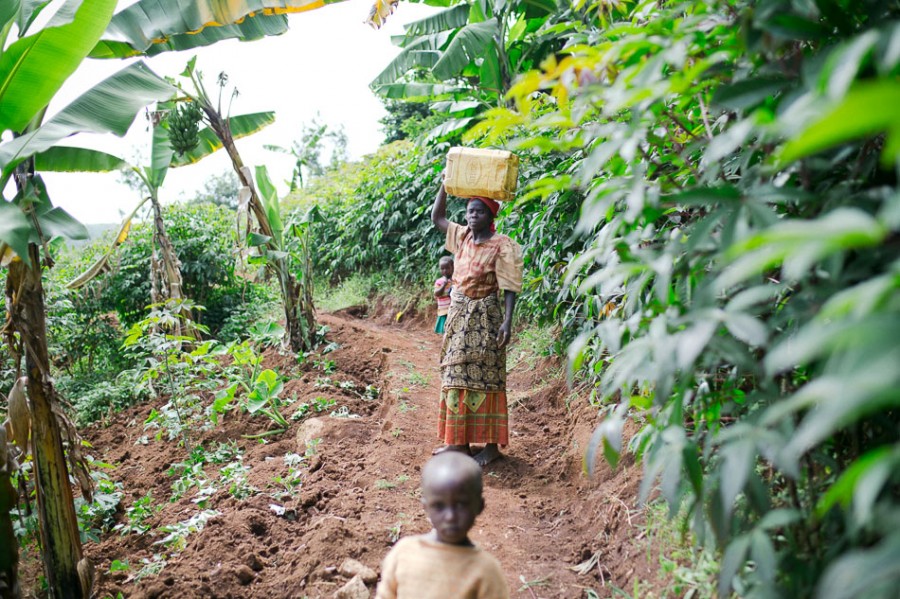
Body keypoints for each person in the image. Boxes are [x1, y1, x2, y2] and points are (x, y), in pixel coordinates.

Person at [430, 182, 523, 467]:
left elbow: (509, 286)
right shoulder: (462, 237)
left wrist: (507, 321)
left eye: (479, 212)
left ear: (490, 216)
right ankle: (458, 443)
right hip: (459, 317)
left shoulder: (503, 245)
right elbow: (437, 218)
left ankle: (492, 447)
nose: (472, 217)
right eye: (470, 212)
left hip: (486, 318)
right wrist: (444, 186)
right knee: (455, 374)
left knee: (488, 377)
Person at [374, 452, 509, 599]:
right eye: (439, 506)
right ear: (426, 507)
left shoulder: (486, 571)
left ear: (480, 506)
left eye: (461, 504)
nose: (450, 516)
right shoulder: (403, 553)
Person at [433, 256, 454, 334]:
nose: (445, 271)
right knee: (445, 332)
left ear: (453, 267)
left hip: (454, 310)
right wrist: (443, 285)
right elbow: (436, 294)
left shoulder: (456, 280)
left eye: (447, 268)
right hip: (443, 311)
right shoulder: (439, 282)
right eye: (442, 269)